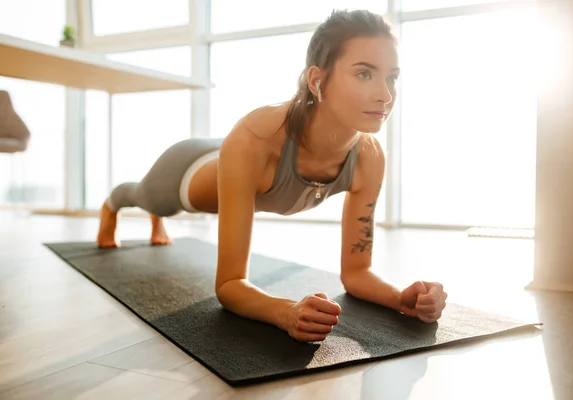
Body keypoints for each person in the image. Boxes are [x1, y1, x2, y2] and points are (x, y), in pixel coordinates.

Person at [97, 9, 448, 342]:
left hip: (237, 151)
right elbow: (230, 283)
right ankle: (111, 207)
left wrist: (400, 297)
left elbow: (356, 272)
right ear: (316, 79)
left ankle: (157, 221)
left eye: (392, 77)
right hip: (187, 167)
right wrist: (285, 311)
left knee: (167, 199)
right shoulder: (256, 138)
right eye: (364, 73)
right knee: (146, 197)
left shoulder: (369, 156)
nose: (385, 95)